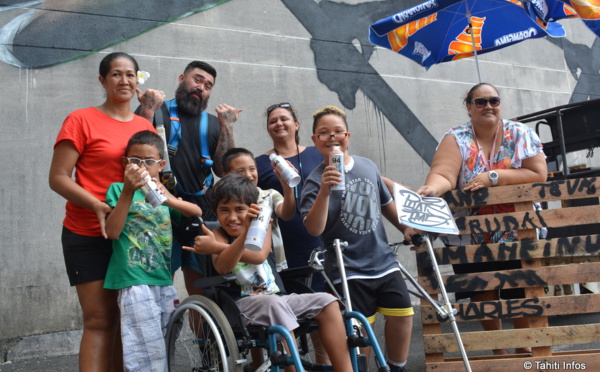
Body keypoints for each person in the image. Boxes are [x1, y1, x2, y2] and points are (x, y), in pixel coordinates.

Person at [416, 82, 547, 355]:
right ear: (469, 107)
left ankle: (523, 344)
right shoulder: (456, 137)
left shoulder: (519, 133)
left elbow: (538, 174)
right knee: (482, 288)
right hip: (470, 230)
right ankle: (497, 346)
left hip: (516, 226)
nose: (488, 106)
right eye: (480, 101)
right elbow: (444, 173)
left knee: (518, 285)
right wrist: (432, 189)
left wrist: (494, 177)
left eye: (494, 100)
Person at [48, 52, 156, 371]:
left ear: (138, 81)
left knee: (127, 319)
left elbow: (152, 178)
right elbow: (57, 178)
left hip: (130, 236)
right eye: (116, 74)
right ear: (102, 81)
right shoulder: (80, 119)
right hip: (86, 232)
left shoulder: (143, 124)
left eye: (130, 75)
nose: (124, 80)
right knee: (99, 319)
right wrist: (96, 204)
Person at [300, 106, 417, 372]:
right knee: (362, 329)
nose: (332, 138)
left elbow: (386, 204)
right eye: (324, 133)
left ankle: (396, 367)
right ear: (314, 140)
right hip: (348, 269)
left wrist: (406, 228)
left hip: (383, 261)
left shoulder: (367, 166)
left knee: (403, 314)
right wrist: (325, 192)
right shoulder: (314, 181)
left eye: (338, 131)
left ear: (348, 135)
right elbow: (314, 229)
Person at [204, 174, 353, 372]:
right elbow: (223, 266)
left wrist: (219, 245)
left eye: (239, 209)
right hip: (240, 303)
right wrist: (222, 243)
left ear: (252, 209)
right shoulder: (216, 235)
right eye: (224, 210)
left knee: (327, 301)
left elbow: (259, 255)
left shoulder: (260, 227)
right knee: (273, 304)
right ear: (215, 212)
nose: (232, 217)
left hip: (275, 297)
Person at [136, 60, 241, 295]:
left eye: (208, 85)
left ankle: (202, 332)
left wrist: (228, 128)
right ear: (182, 79)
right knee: (158, 286)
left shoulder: (213, 124)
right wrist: (147, 110)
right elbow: (135, 149)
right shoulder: (155, 110)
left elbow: (224, 171)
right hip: (160, 211)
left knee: (202, 288)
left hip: (201, 213)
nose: (201, 87)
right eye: (197, 79)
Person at [103, 130, 202, 371]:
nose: (141, 167)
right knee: (144, 351)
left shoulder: (164, 194)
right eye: (135, 161)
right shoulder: (118, 190)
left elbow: (196, 212)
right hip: (134, 279)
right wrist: (128, 190)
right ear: (126, 163)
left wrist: (167, 197)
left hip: (163, 279)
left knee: (165, 341)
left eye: (148, 161)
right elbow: (112, 232)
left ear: (160, 165)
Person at [255, 103, 326, 288]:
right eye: (273, 121)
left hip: (322, 238)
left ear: (296, 124)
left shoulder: (317, 153)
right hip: (286, 244)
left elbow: (348, 171)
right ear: (268, 129)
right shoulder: (260, 164)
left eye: (284, 119)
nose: (279, 123)